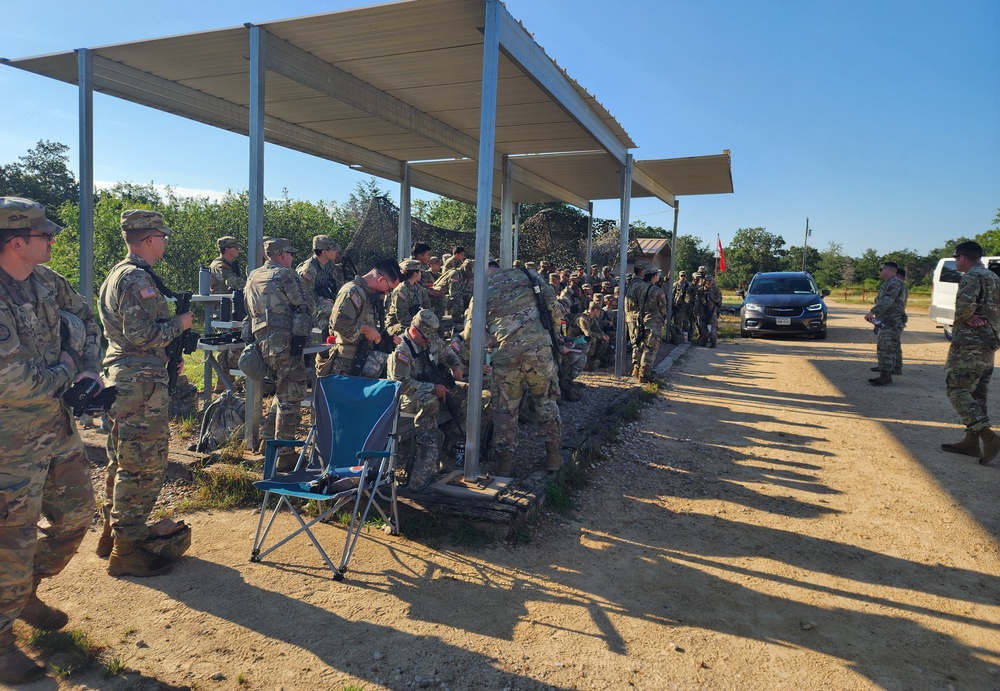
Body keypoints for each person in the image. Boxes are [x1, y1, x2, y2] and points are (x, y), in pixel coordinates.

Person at [0, 198, 104, 684]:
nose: (53, 240)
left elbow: (88, 322)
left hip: (55, 425)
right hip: (9, 442)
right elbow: (16, 381)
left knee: (78, 514)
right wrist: (66, 368)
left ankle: (21, 596)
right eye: (44, 235)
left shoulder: (47, 281)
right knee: (10, 541)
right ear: (15, 241)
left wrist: (86, 364)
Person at [99, 210, 193, 578]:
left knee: (122, 457)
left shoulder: (118, 273)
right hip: (139, 380)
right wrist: (179, 325)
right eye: (163, 236)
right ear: (150, 238)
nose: (166, 242)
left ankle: (112, 535)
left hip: (131, 374)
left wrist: (166, 358)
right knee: (144, 462)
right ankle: (129, 550)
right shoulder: (136, 277)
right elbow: (141, 334)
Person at [462, 257, 563, 473]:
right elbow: (554, 308)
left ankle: (504, 466)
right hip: (539, 354)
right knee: (546, 402)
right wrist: (551, 337)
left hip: (506, 357)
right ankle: (553, 456)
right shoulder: (528, 274)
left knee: (505, 411)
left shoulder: (482, 289)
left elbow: (471, 334)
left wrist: (476, 360)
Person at [245, 238, 313, 471]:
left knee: (282, 389)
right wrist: (300, 342)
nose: (292, 258)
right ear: (282, 254)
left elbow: (247, 311)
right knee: (292, 394)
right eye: (291, 254)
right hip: (285, 340)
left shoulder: (253, 276)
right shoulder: (287, 275)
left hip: (262, 341)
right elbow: (304, 307)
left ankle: (267, 442)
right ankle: (285, 455)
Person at [387, 309, 466, 492]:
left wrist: (455, 366)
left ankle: (452, 443)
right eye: (425, 338)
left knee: (474, 395)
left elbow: (446, 352)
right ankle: (421, 471)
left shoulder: (429, 339)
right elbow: (401, 385)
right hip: (408, 396)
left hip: (432, 388)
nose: (429, 342)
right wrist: (432, 388)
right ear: (414, 331)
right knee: (430, 403)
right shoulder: (402, 351)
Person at [940, 241, 1000, 465]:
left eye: (956, 257)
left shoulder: (972, 277)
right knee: (977, 392)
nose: (956, 261)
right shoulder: (994, 277)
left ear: (963, 257)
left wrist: (966, 317)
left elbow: (964, 305)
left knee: (957, 387)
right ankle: (971, 442)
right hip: (989, 341)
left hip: (970, 343)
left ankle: (988, 437)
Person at [319, 258, 401, 377]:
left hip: (362, 361)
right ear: (381, 279)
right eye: (390, 289)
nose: (388, 293)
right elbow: (338, 323)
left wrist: (389, 339)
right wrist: (366, 329)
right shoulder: (352, 292)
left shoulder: (369, 295)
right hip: (347, 365)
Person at [208, 236, 245, 392]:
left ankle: (226, 383)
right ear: (228, 249)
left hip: (230, 310)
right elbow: (234, 283)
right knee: (228, 347)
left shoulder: (229, 265)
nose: (238, 250)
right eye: (235, 247)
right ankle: (224, 383)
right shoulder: (219, 266)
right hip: (222, 311)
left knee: (230, 347)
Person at [865, 261, 906, 385]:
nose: (880, 271)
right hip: (886, 320)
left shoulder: (895, 283)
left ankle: (886, 376)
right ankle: (888, 370)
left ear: (888, 269)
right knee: (888, 345)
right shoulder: (888, 283)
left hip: (892, 321)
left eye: (881, 269)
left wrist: (872, 311)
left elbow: (888, 300)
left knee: (886, 347)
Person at [296, 235, 342, 329]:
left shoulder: (329, 264)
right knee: (328, 310)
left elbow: (335, 282)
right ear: (324, 252)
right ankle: (327, 331)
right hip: (307, 303)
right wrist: (322, 300)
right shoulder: (309, 270)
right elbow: (305, 295)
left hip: (324, 297)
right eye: (333, 249)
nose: (336, 251)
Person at [635, 268, 667, 382]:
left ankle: (639, 369)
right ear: (654, 276)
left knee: (642, 346)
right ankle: (644, 375)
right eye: (657, 275)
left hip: (642, 320)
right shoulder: (657, 291)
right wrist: (663, 318)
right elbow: (663, 308)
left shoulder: (640, 288)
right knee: (651, 348)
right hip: (654, 322)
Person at [387, 258, 426, 336]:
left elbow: (427, 306)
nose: (421, 274)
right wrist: (418, 324)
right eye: (420, 272)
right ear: (415, 273)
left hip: (414, 322)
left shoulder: (419, 288)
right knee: (411, 332)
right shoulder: (401, 290)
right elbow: (402, 317)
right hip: (397, 324)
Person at [624, 261, 649, 377]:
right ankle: (636, 367)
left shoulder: (631, 283)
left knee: (635, 340)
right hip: (636, 317)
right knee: (638, 342)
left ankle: (637, 366)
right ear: (641, 272)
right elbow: (643, 302)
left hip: (630, 316)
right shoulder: (640, 285)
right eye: (644, 271)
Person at [699, 275, 723, 348]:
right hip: (703, 311)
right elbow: (698, 300)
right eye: (708, 281)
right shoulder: (701, 290)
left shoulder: (716, 290)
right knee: (703, 327)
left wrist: (710, 295)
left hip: (712, 311)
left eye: (711, 281)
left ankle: (713, 342)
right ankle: (704, 341)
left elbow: (717, 300)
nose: (709, 282)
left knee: (712, 329)